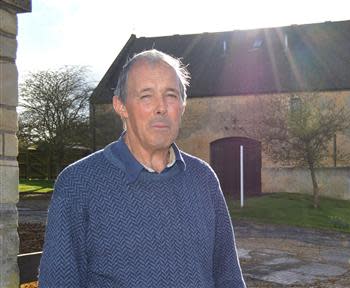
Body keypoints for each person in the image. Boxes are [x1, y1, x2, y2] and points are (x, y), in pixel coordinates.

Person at [38, 49, 246, 287]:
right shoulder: (78, 184)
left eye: (171, 95)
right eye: (146, 96)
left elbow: (228, 276)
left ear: (182, 105)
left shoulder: (203, 179)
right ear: (121, 106)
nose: (161, 107)